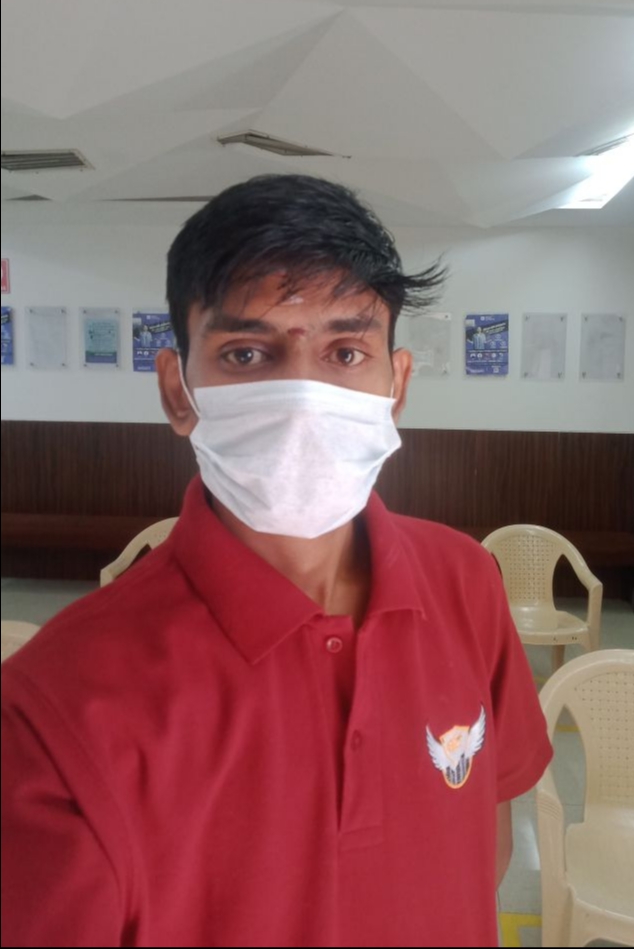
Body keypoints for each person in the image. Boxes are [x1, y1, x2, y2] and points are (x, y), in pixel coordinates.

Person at [1, 174, 552, 948]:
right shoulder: (55, 709)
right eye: (247, 352)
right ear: (178, 392)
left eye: (345, 351)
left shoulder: (465, 581)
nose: (301, 397)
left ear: (395, 387)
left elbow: (482, 840)